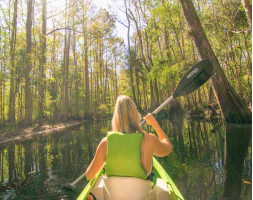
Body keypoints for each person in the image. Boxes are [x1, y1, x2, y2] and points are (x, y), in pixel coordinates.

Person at [86, 95, 172, 199]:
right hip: (142, 196)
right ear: (136, 114)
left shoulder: (106, 143)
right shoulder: (149, 140)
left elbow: (89, 175)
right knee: (163, 189)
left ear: (116, 117)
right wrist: (154, 123)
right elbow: (167, 148)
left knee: (98, 183)